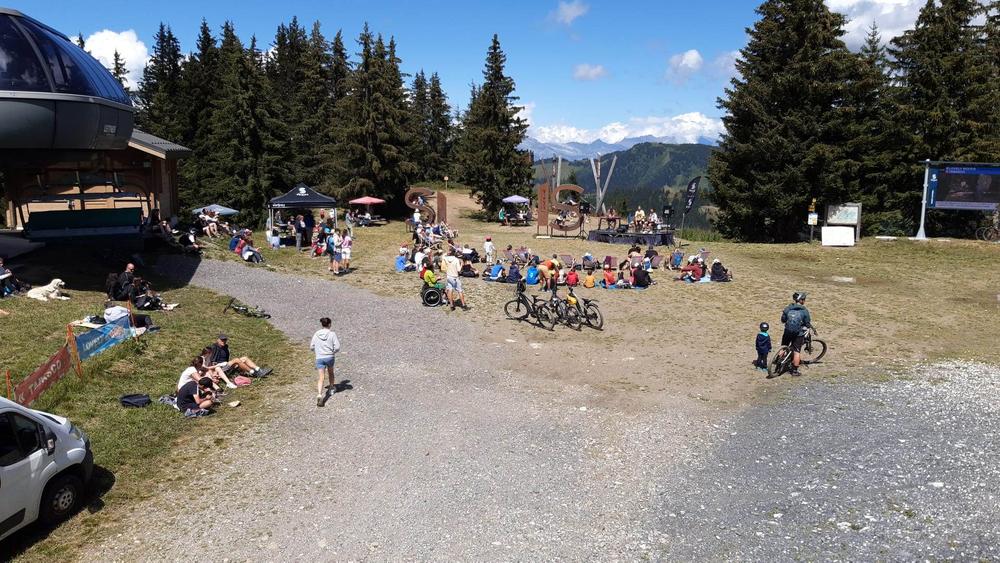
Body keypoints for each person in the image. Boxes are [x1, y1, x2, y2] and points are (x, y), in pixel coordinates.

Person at [778, 292, 812, 377]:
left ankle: (778, 360)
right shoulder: (804, 311)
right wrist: (807, 326)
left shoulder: (788, 308)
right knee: (797, 351)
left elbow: (783, 320)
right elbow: (807, 323)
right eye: (804, 299)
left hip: (788, 331)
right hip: (798, 333)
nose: (804, 300)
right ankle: (794, 371)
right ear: (801, 300)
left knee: (784, 345)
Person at [310, 317, 341, 407]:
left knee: (321, 377)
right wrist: (333, 351)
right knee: (330, 372)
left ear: (322, 324)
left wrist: (318, 351)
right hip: (329, 357)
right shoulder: (332, 334)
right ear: (329, 324)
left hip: (319, 357)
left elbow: (312, 346)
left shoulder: (316, 334)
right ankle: (331, 387)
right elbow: (337, 347)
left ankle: (319, 394)